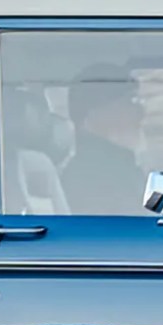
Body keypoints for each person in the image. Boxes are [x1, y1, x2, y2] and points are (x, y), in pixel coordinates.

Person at [63, 65, 150, 215]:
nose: (141, 113)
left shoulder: (119, 168)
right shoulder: (89, 177)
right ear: (93, 113)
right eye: (130, 101)